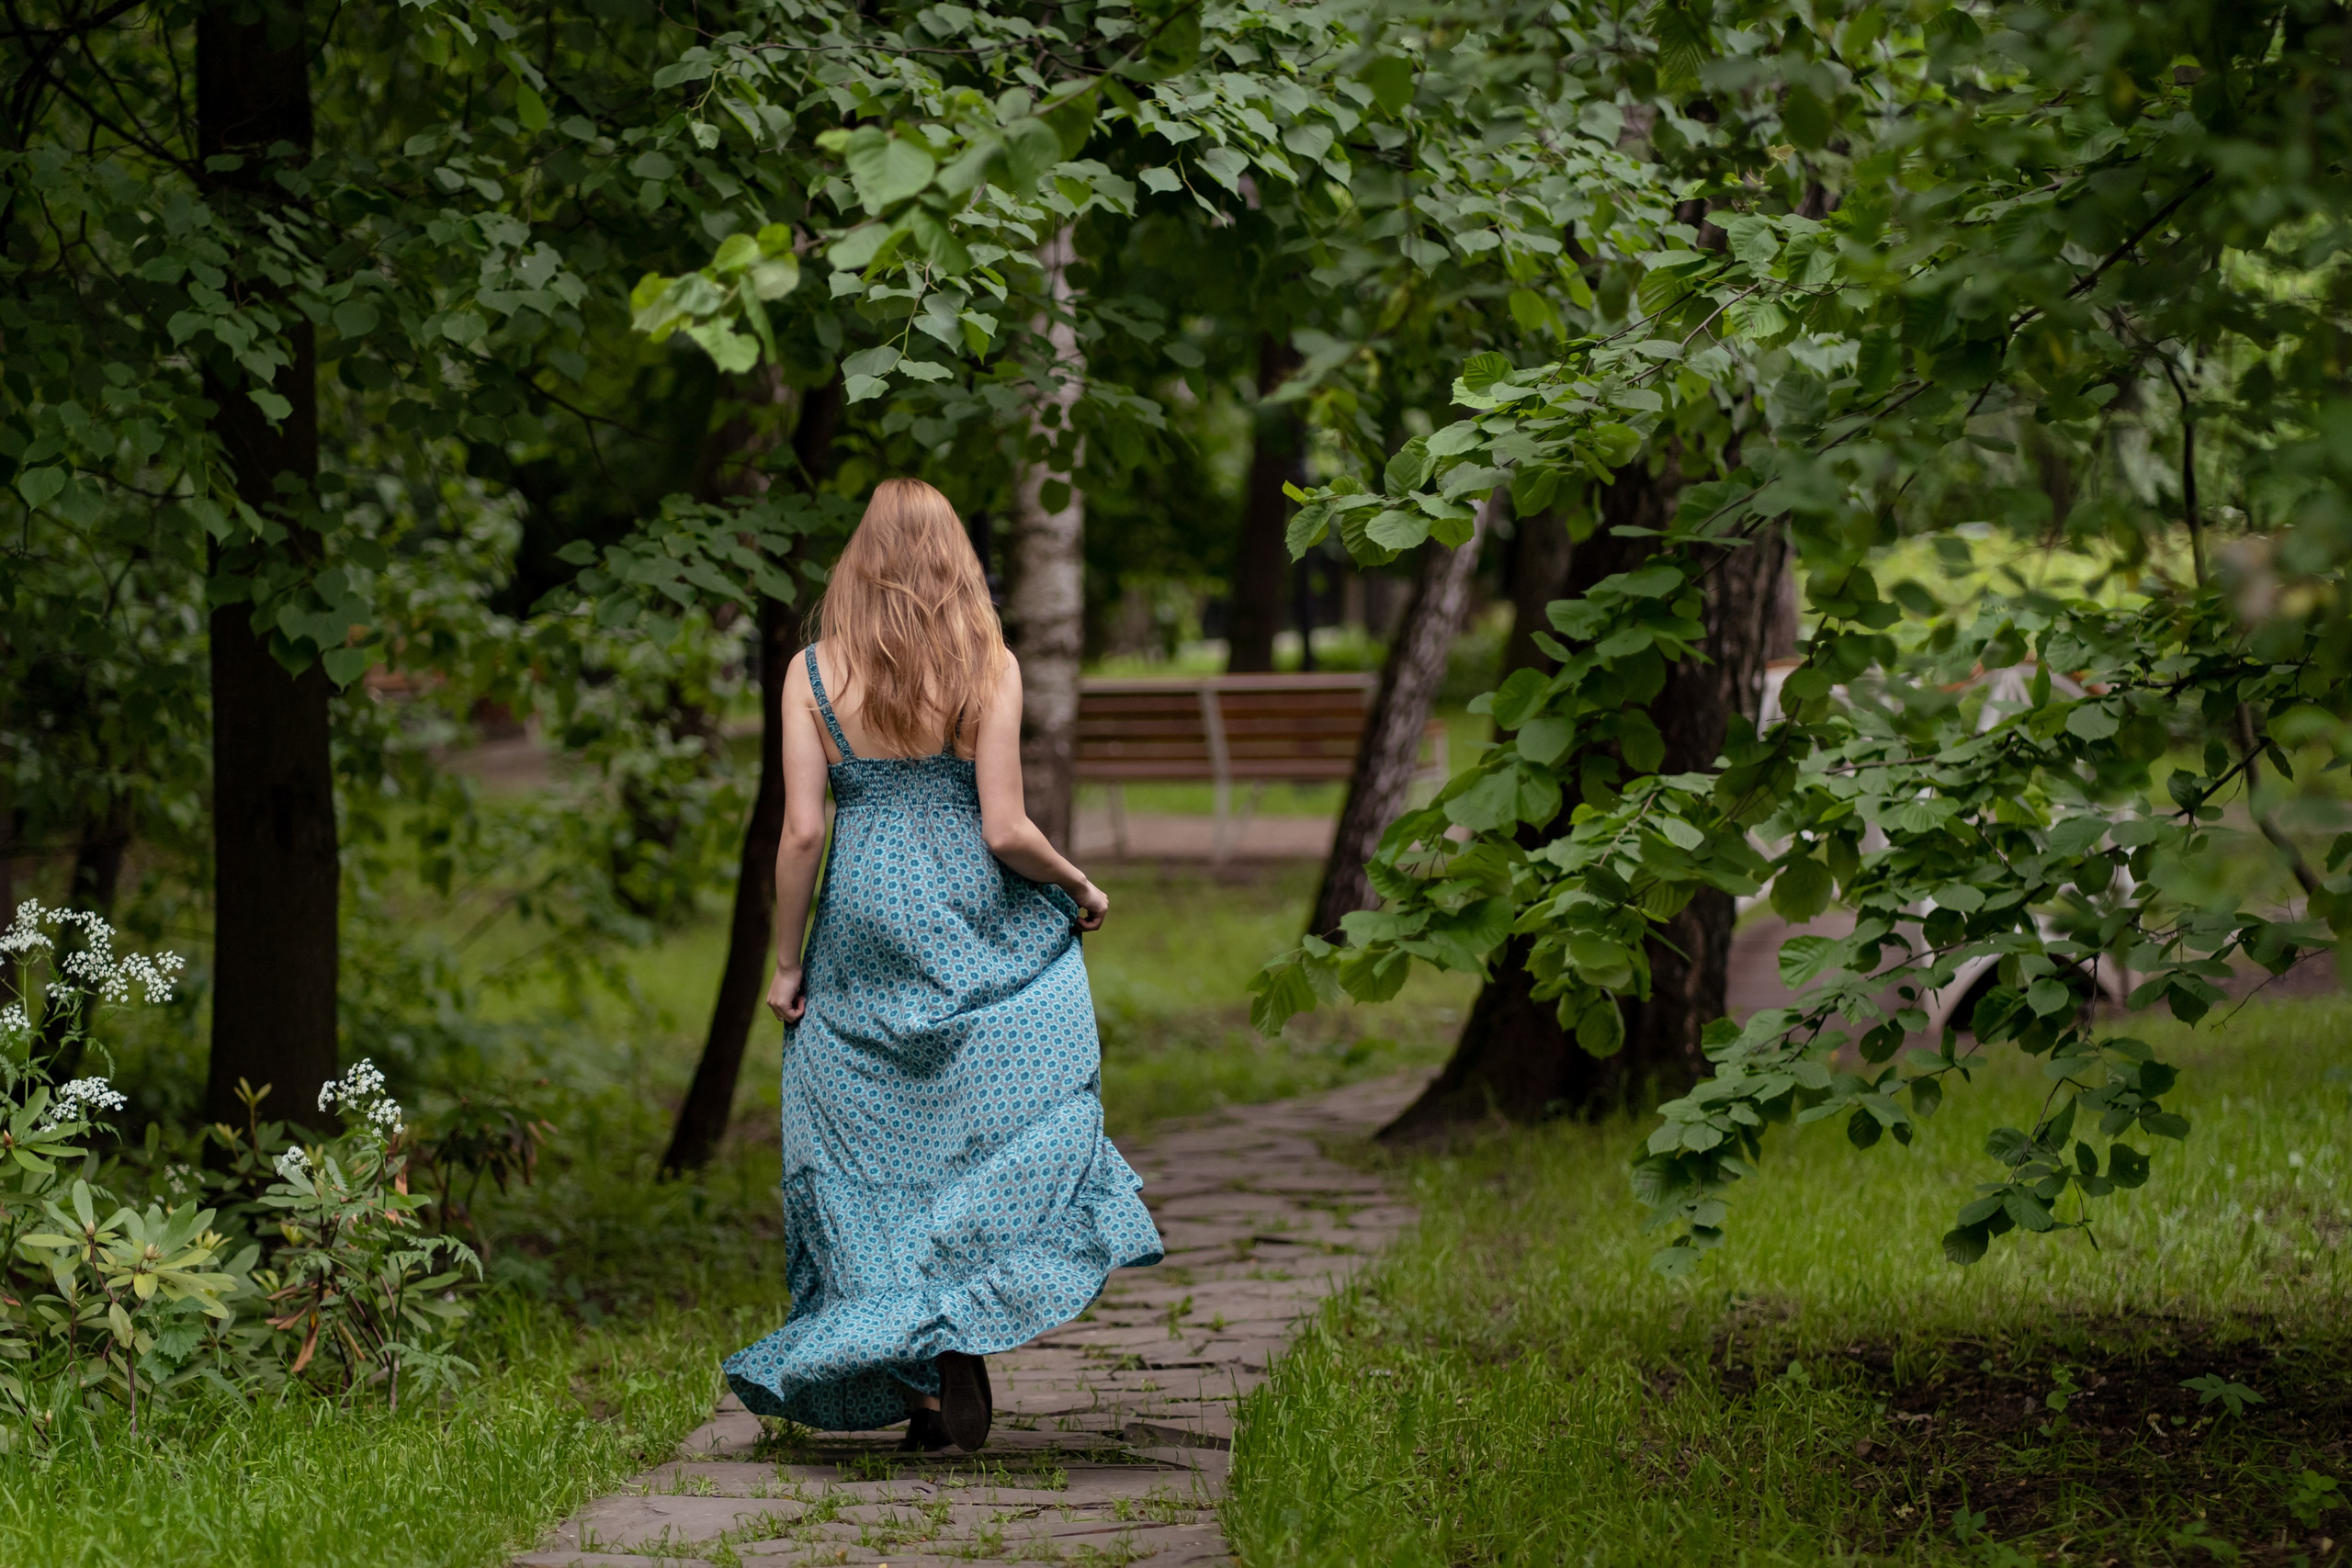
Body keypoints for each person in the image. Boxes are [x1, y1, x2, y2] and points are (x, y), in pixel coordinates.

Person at [721, 478, 1164, 1452]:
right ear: (956, 558)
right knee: (986, 1113)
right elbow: (1005, 827)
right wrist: (1078, 885)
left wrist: (787, 964)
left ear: (857, 563)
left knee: (866, 1135)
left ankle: (921, 1380)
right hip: (968, 904)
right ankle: (962, 1316)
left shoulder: (809, 671)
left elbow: (801, 833)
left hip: (864, 908)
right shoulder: (987, 664)